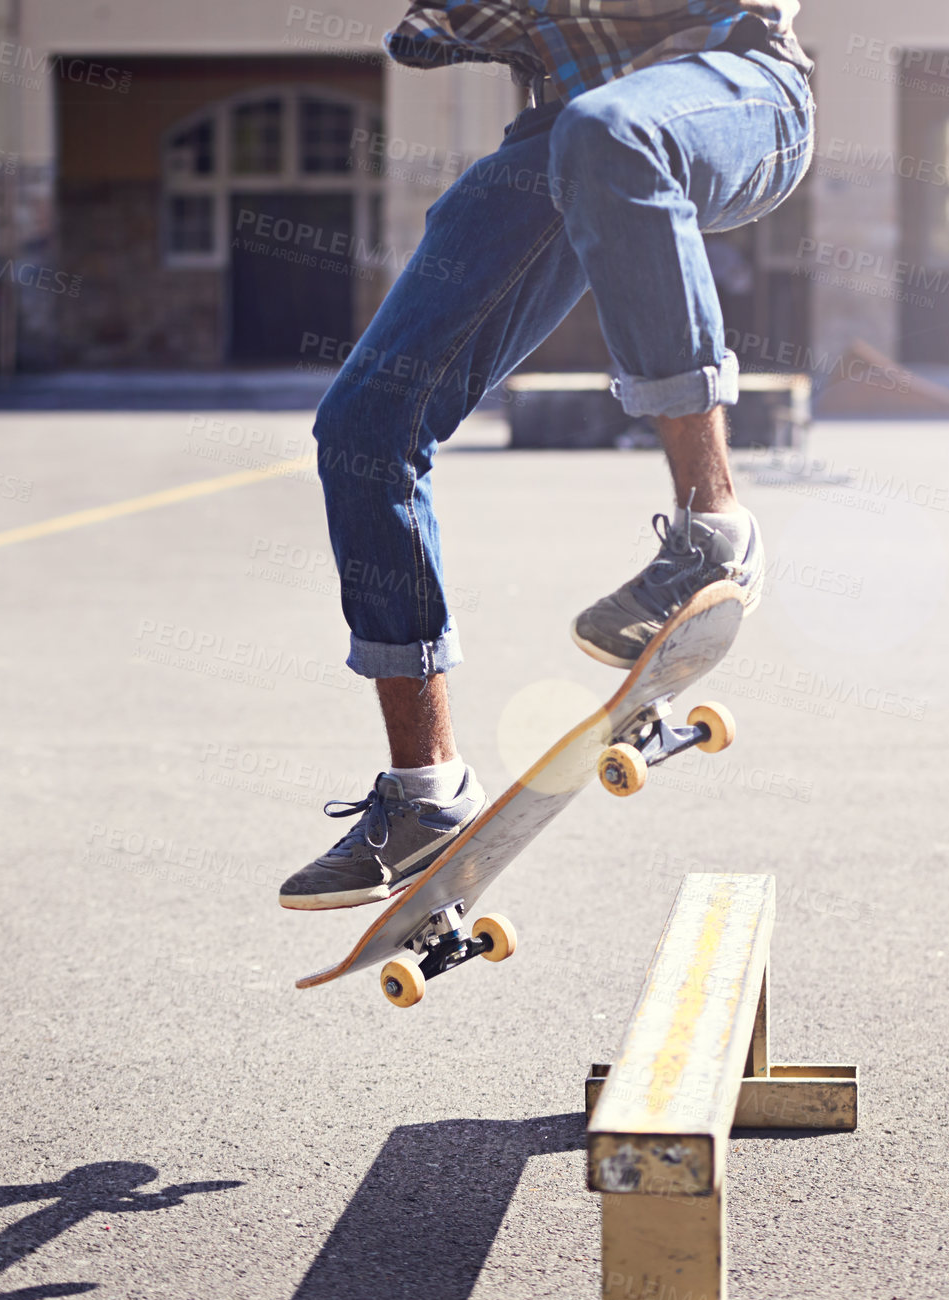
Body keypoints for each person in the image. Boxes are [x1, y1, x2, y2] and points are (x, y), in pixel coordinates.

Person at [279, 0, 814, 910]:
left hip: (738, 85)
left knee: (615, 132)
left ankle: (713, 528)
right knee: (365, 424)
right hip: (559, 130)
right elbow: (420, 37)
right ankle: (425, 794)